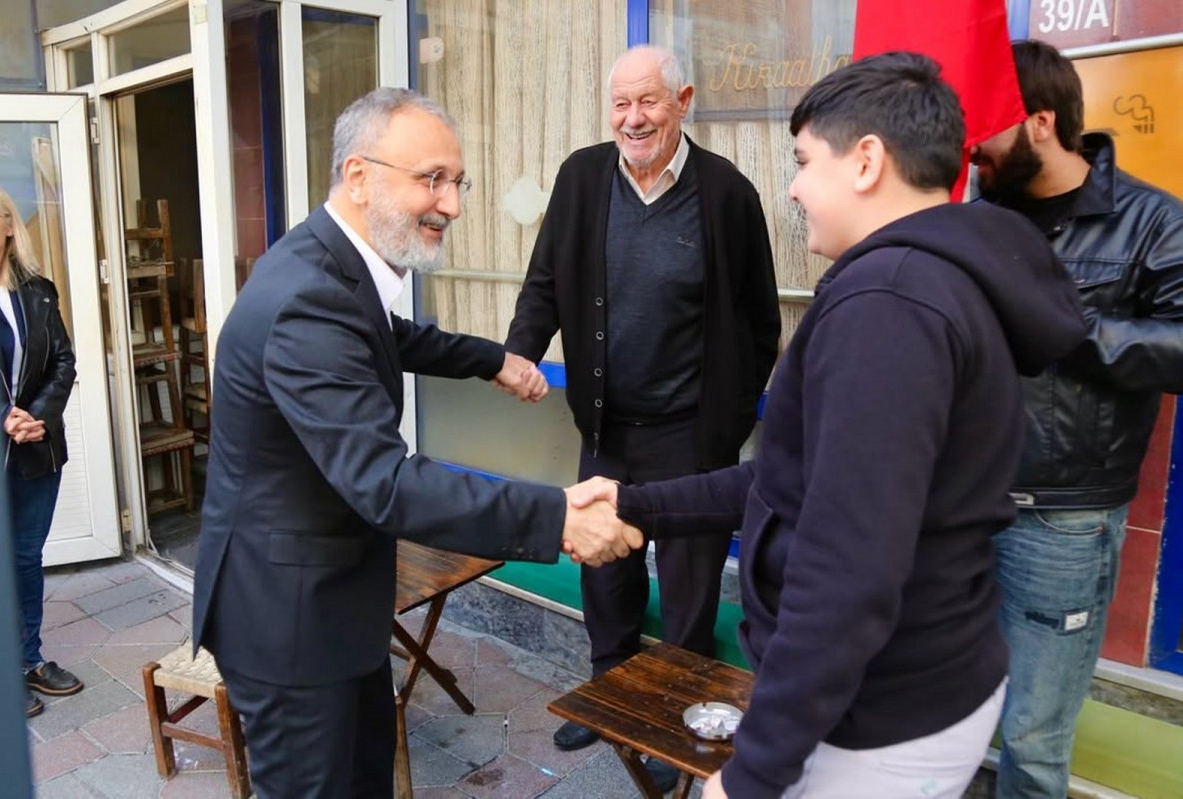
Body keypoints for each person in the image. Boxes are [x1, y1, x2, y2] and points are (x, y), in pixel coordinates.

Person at [570, 52, 1088, 798]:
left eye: (805, 161)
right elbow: (800, 476)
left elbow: (848, 570)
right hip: (911, 690)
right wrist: (638, 504)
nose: (794, 186)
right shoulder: (930, 280)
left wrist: (754, 771)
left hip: (876, 721)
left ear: (867, 161)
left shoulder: (890, 305)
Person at [190, 88, 641, 799]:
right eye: (431, 179)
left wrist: (492, 360)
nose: (451, 204)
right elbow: (386, 483)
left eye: (458, 182)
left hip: (335, 599)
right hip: (289, 621)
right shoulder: (308, 296)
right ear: (358, 175)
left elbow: (392, 337)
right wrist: (558, 515)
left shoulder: (333, 264)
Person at [504, 44, 781, 784]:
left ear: (682, 101)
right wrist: (521, 352)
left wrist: (728, 418)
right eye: (621, 103)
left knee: (690, 588)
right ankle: (609, 695)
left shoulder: (727, 194)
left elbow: (760, 321)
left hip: (692, 433)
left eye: (648, 101)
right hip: (607, 425)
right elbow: (545, 280)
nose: (633, 118)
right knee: (605, 570)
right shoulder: (581, 177)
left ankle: (670, 718)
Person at [971, 39, 1183, 798]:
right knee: (955, 705)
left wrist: (1071, 329)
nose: (971, 148)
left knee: (1033, 737)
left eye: (986, 128)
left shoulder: (1151, 220)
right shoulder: (977, 217)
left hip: (1063, 520)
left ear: (1039, 123)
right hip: (961, 502)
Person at [0, 181, 83, 719]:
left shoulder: (39, 291)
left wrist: (37, 418)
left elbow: (64, 361)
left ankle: (29, 659)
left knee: (25, 557)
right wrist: (0, 415)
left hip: (35, 449)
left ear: (7, 224)